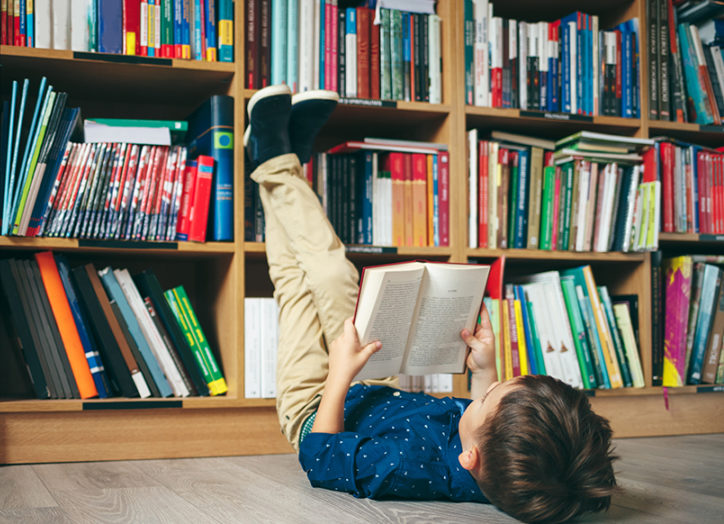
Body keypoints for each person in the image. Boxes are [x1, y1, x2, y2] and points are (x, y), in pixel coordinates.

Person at [245, 84, 619, 523]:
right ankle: (276, 159)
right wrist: (485, 373)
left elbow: (321, 458)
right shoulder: (502, 455)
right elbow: (487, 420)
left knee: (297, 281)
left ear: (470, 459)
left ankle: (276, 159)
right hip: (367, 376)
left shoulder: (405, 470)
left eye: (486, 397)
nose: (482, 395)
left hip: (313, 402)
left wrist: (339, 374)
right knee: (327, 272)